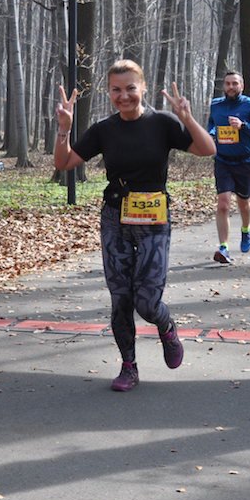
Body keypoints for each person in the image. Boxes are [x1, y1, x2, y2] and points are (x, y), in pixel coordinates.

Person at [53, 60, 216, 392]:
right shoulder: (104, 129)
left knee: (147, 302)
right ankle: (129, 367)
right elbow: (64, 162)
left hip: (154, 219)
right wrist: (64, 129)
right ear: (109, 92)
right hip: (115, 217)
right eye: (116, 90)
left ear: (143, 88)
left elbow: (207, 149)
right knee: (121, 299)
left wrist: (186, 117)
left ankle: (166, 327)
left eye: (130, 88)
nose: (123, 96)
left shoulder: (162, 123)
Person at [206, 71, 250, 264]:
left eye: (235, 83)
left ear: (242, 85)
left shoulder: (249, 104)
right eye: (228, 84)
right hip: (223, 161)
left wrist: (243, 126)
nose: (231, 87)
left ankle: (245, 230)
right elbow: (211, 125)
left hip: (245, 162)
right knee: (223, 204)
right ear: (223, 86)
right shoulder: (216, 105)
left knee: (243, 203)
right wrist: (212, 133)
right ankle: (223, 247)